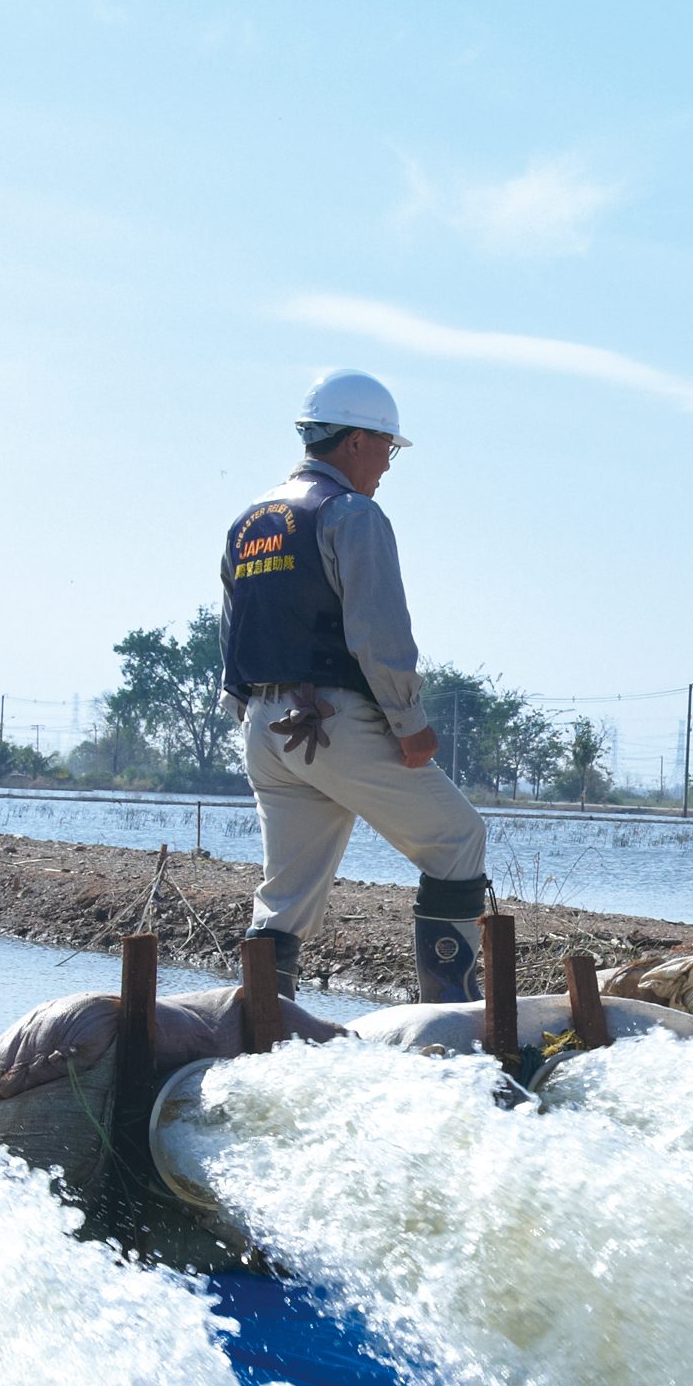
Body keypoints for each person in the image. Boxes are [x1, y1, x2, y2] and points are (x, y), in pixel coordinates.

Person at [222, 369, 495, 1002]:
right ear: (354, 442)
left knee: (284, 898)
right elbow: (379, 633)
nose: (389, 464)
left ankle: (257, 1037)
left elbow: (231, 631)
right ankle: (450, 1025)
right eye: (387, 447)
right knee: (458, 839)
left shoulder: (250, 520)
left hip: (266, 728)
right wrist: (410, 723)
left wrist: (250, 718)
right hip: (330, 722)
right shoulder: (351, 514)